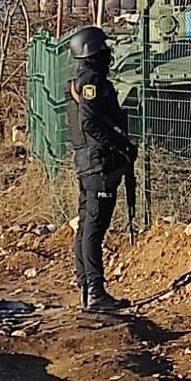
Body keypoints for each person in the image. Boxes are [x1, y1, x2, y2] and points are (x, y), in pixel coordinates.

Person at [64, 26, 136, 312]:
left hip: (92, 162)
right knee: (94, 226)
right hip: (98, 162)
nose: (108, 52)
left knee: (87, 225)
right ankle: (94, 291)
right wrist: (121, 144)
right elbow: (90, 122)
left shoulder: (85, 80)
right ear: (93, 52)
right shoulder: (91, 82)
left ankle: (87, 285)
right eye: (103, 48)